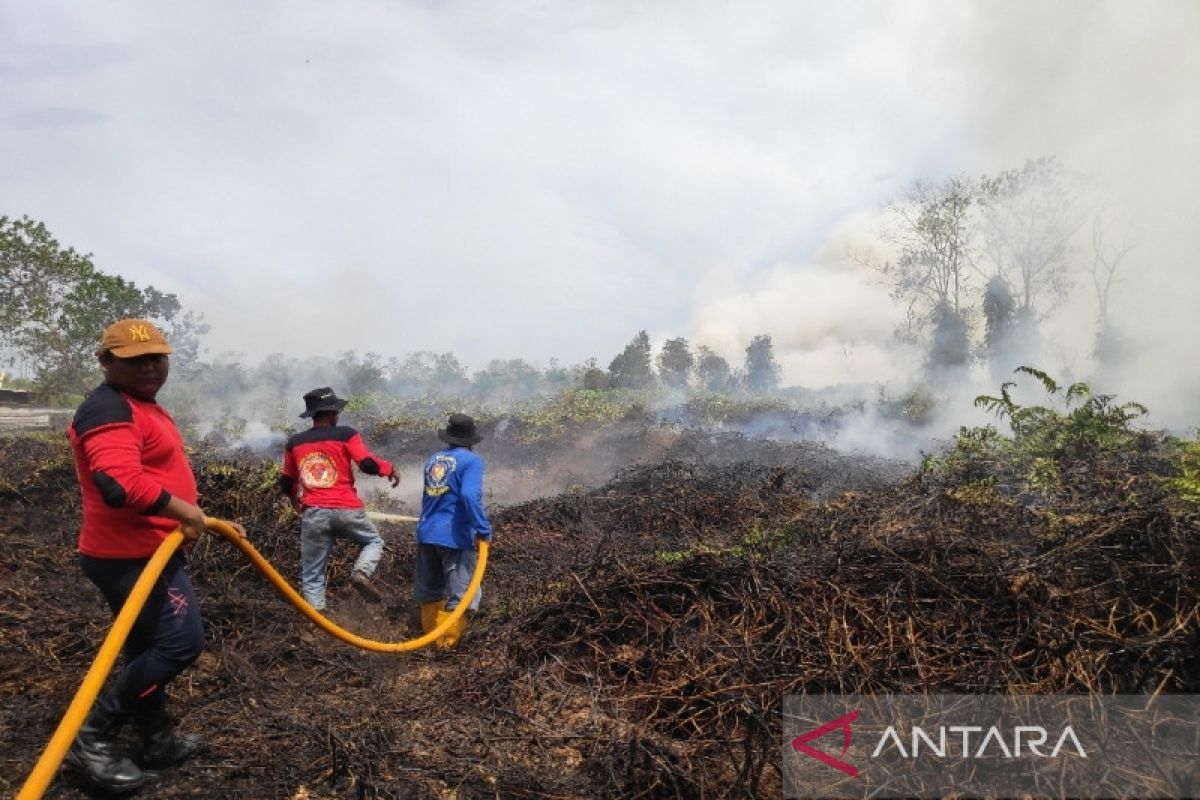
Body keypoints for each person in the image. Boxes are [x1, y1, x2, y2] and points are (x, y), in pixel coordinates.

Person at [66, 318, 247, 793]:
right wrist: (188, 512)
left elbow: (155, 471)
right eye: (134, 360)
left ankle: (156, 742)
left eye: (156, 358)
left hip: (148, 549)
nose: (149, 367)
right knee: (179, 644)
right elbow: (119, 482)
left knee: (148, 649)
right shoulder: (106, 408)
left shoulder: (139, 404)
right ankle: (92, 739)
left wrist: (208, 521)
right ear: (106, 362)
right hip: (130, 556)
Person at [279, 387, 399, 611]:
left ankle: (318, 624)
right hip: (347, 509)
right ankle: (361, 573)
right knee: (373, 541)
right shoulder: (346, 434)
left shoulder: (294, 443)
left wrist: (293, 500)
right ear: (332, 413)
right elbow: (366, 463)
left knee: (313, 573)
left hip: (314, 513)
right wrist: (389, 469)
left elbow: (287, 481)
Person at [415, 413, 492, 649]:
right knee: (460, 594)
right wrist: (482, 528)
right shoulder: (472, 461)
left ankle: (431, 641)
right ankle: (447, 645)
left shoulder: (433, 460)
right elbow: (469, 496)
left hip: (427, 533)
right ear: (470, 440)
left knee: (430, 592)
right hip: (454, 537)